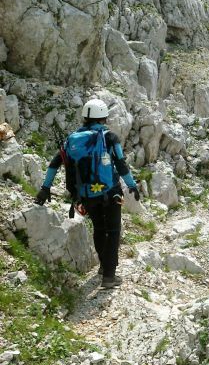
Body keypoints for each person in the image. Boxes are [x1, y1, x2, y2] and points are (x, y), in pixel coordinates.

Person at [35, 99, 140, 289]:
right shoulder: (109, 137)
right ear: (104, 118)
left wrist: (45, 188)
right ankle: (109, 275)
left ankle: (103, 267)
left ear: (85, 117)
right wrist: (132, 185)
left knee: (100, 229)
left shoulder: (72, 139)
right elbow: (121, 164)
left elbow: (54, 164)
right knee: (113, 231)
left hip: (86, 195)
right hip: (111, 192)